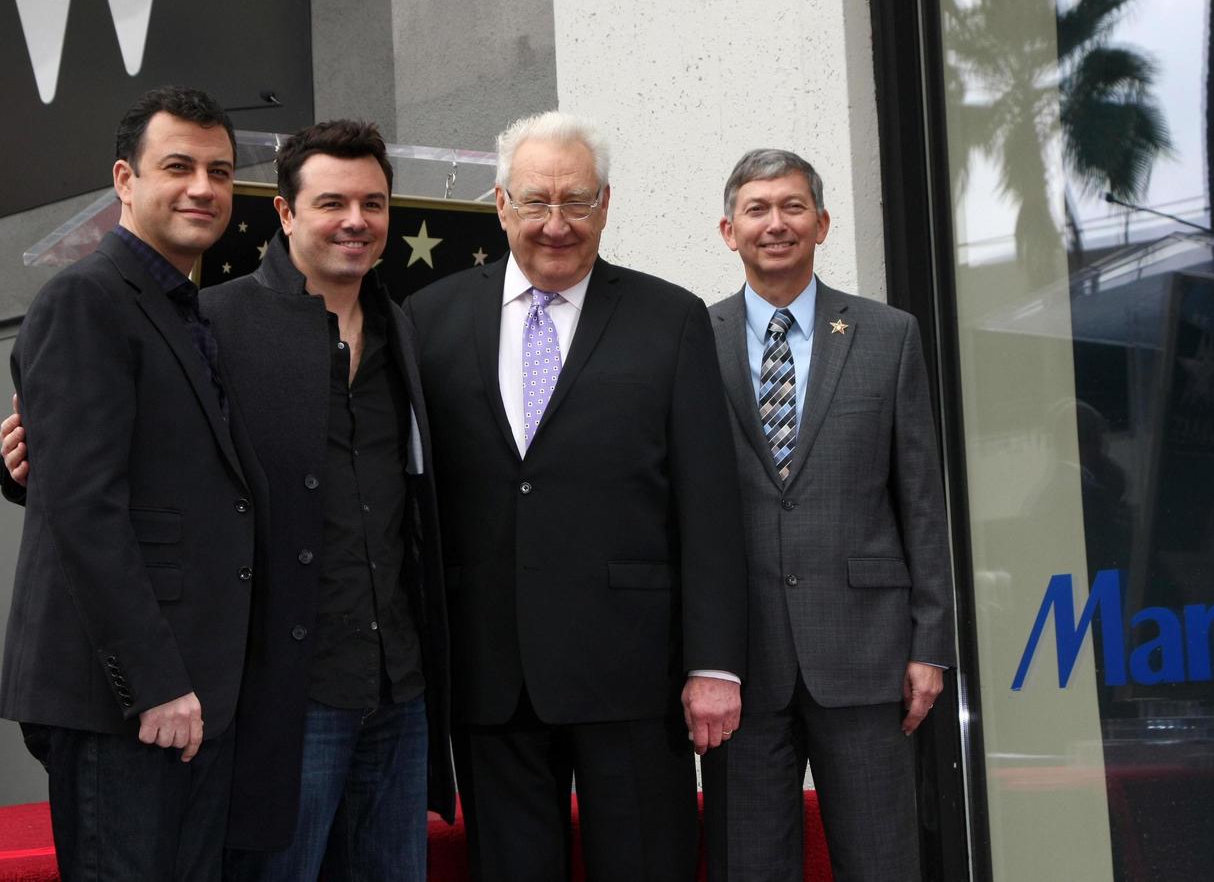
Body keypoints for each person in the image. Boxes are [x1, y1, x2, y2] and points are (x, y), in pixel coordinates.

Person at [1, 120, 455, 881]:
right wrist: (22, 466)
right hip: (282, 697)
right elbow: (122, 471)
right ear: (284, 213)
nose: (355, 220)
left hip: (397, 689)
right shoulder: (213, 322)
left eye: (373, 203)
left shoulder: (401, 329)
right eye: (331, 201)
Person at [402, 111, 748, 882]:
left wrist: (715, 663)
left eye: (576, 202)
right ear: (500, 205)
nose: (556, 224)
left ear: (606, 204)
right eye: (536, 202)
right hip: (490, 677)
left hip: (633, 674)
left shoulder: (671, 319)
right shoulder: (429, 319)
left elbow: (710, 503)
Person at [0, 85, 261, 880]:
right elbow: (85, 510)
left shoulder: (191, 311)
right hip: (133, 706)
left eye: (219, 171)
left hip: (193, 696)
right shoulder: (86, 298)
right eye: (177, 166)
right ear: (124, 180)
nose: (203, 188)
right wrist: (154, 685)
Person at [701, 149, 954, 882]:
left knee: (882, 864)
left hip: (868, 655)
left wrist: (929, 644)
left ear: (822, 223)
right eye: (757, 209)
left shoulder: (889, 334)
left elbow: (921, 499)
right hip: (740, 664)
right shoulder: (690, 338)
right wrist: (693, 657)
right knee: (749, 865)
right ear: (729, 229)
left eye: (791, 207)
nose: (774, 224)